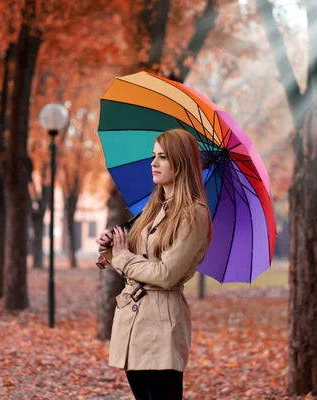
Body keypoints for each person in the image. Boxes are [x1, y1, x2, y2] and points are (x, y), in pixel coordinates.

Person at [95, 128, 212, 400]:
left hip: (161, 324)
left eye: (162, 157)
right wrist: (112, 250)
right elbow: (137, 262)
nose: (153, 163)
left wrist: (123, 257)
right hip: (133, 321)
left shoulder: (194, 214)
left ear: (180, 163)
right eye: (153, 156)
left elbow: (166, 274)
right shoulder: (153, 208)